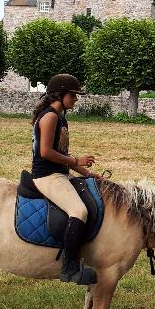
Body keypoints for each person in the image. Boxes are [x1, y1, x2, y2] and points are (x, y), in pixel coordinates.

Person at [31, 73, 99, 285]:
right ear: (59, 95)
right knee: (79, 211)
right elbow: (45, 152)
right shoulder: (50, 116)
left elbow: (61, 155)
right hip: (47, 176)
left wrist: (88, 174)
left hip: (59, 172)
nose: (76, 99)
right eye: (73, 95)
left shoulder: (61, 117)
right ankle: (69, 268)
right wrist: (77, 159)